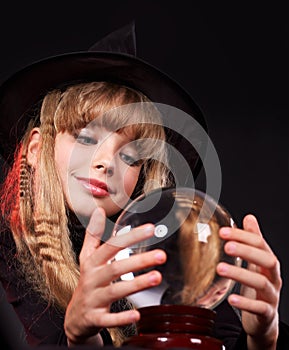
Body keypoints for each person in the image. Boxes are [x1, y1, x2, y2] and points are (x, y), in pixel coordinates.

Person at [0, 24, 288, 349]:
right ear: (37, 149)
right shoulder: (7, 260)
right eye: (86, 138)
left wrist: (261, 338)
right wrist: (81, 339)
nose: (107, 162)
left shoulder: (163, 254)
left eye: (131, 156)